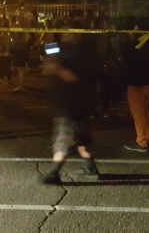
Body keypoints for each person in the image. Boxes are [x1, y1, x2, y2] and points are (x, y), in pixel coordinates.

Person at [40, 24, 100, 185]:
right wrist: (50, 46)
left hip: (72, 104)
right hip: (72, 103)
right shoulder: (61, 47)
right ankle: (91, 169)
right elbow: (49, 61)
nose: (66, 34)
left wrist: (57, 68)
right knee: (81, 141)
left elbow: (71, 76)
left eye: (70, 31)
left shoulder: (82, 53)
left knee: (63, 140)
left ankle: (54, 173)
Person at [121, 18, 149, 152]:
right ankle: (147, 137)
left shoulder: (139, 44)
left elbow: (129, 60)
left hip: (137, 83)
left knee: (138, 113)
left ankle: (142, 141)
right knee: (144, 111)